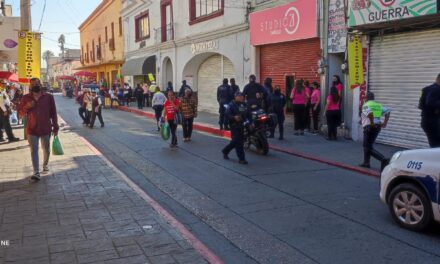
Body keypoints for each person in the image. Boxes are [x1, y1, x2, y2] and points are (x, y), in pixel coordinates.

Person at [18, 78, 59, 181]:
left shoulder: (48, 97)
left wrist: (55, 126)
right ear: (30, 86)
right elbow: (20, 115)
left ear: (40, 85)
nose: (35, 85)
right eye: (33, 84)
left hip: (46, 128)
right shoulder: (25, 98)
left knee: (46, 149)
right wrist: (27, 106)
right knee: (33, 150)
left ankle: (45, 164)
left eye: (37, 83)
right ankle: (36, 171)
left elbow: (53, 113)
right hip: (32, 129)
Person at [359, 92, 391, 169]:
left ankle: (384, 159)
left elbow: (370, 114)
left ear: (366, 98)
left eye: (365, 97)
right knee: (368, 145)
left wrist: (372, 122)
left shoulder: (366, 105)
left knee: (367, 146)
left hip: (369, 127)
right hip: (377, 127)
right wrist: (385, 123)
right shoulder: (378, 105)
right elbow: (388, 111)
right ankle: (366, 163)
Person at [222, 92, 249, 165]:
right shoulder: (231, 105)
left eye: (242, 96)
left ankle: (225, 151)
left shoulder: (244, 104)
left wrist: (250, 122)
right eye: (240, 96)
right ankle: (241, 159)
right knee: (238, 142)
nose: (241, 98)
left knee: (235, 142)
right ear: (235, 97)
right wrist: (234, 117)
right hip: (234, 126)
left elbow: (247, 114)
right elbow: (227, 115)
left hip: (242, 126)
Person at [419, 73, 440, 147]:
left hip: (426, 121)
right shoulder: (437, 90)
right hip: (434, 122)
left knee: (434, 144)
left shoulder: (425, 89)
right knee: (437, 145)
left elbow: (421, 105)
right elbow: (430, 103)